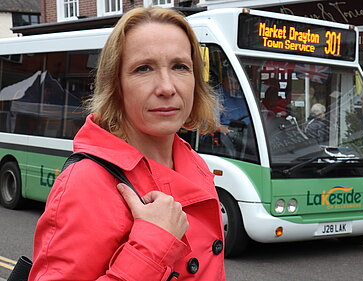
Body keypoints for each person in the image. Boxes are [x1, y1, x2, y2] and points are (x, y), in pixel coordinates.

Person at [29, 7, 225, 281]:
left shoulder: (194, 163)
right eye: (143, 68)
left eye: (180, 66)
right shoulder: (87, 181)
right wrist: (153, 247)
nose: (167, 87)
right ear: (116, 85)